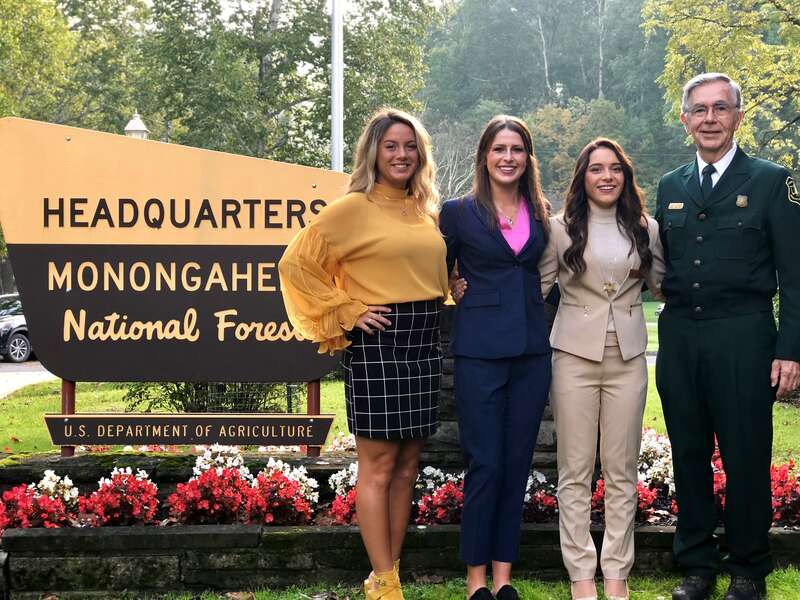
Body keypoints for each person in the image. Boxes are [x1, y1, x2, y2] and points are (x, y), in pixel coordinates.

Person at [278, 108, 448, 600]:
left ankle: (387, 570)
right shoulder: (351, 208)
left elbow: (425, 271)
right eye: (391, 145)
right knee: (378, 466)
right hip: (379, 342)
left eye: (410, 146)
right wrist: (348, 309)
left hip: (424, 340)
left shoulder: (424, 209)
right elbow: (295, 264)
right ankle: (385, 583)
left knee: (408, 465)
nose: (401, 155)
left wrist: (452, 287)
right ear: (373, 152)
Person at [655, 73, 800, 600]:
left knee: (745, 455)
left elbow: (795, 275)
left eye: (721, 108)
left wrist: (790, 351)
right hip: (680, 338)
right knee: (688, 452)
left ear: (738, 116)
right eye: (700, 109)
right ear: (685, 120)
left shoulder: (772, 181)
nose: (710, 118)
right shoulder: (670, 186)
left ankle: (747, 567)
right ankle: (696, 564)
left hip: (744, 336)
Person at [537, 138, 665, 600]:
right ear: (582, 177)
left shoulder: (646, 229)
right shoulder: (559, 229)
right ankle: (581, 575)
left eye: (614, 168)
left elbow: (665, 286)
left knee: (621, 471)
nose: (606, 176)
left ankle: (616, 573)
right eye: (596, 169)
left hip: (628, 360)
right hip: (572, 357)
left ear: (625, 176)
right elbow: (535, 289)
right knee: (574, 470)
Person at [439, 115, 552, 600]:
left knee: (516, 462)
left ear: (528, 158)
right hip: (479, 351)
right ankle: (476, 580)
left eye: (517, 149)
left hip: (531, 352)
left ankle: (504, 577)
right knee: (484, 462)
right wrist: (451, 284)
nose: (508, 157)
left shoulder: (541, 211)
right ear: (484, 156)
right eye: (499, 149)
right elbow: (432, 268)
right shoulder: (457, 212)